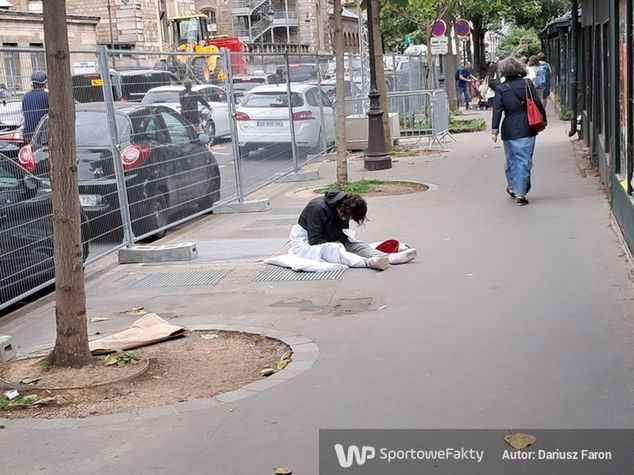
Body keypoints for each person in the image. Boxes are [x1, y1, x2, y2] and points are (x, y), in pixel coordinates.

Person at [290, 191, 417, 270]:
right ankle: (369, 262)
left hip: (329, 237)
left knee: (354, 243)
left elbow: (343, 234)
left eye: (349, 218)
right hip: (307, 241)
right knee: (335, 251)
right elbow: (314, 240)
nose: (346, 219)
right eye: (345, 217)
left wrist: (347, 243)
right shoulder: (316, 208)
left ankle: (387, 257)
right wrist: (336, 244)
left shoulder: (345, 207)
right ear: (340, 207)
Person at [491, 57, 547, 207]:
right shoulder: (527, 84)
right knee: (524, 161)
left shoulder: (501, 89)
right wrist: (544, 119)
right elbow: (536, 102)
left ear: (503, 71)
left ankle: (513, 186)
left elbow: (497, 110)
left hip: (508, 128)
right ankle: (521, 193)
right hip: (527, 126)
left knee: (511, 161)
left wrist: (494, 130)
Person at [22, 70, 49, 143]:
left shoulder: (25, 96)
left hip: (29, 134)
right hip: (43, 135)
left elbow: (25, 114)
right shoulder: (47, 95)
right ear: (44, 83)